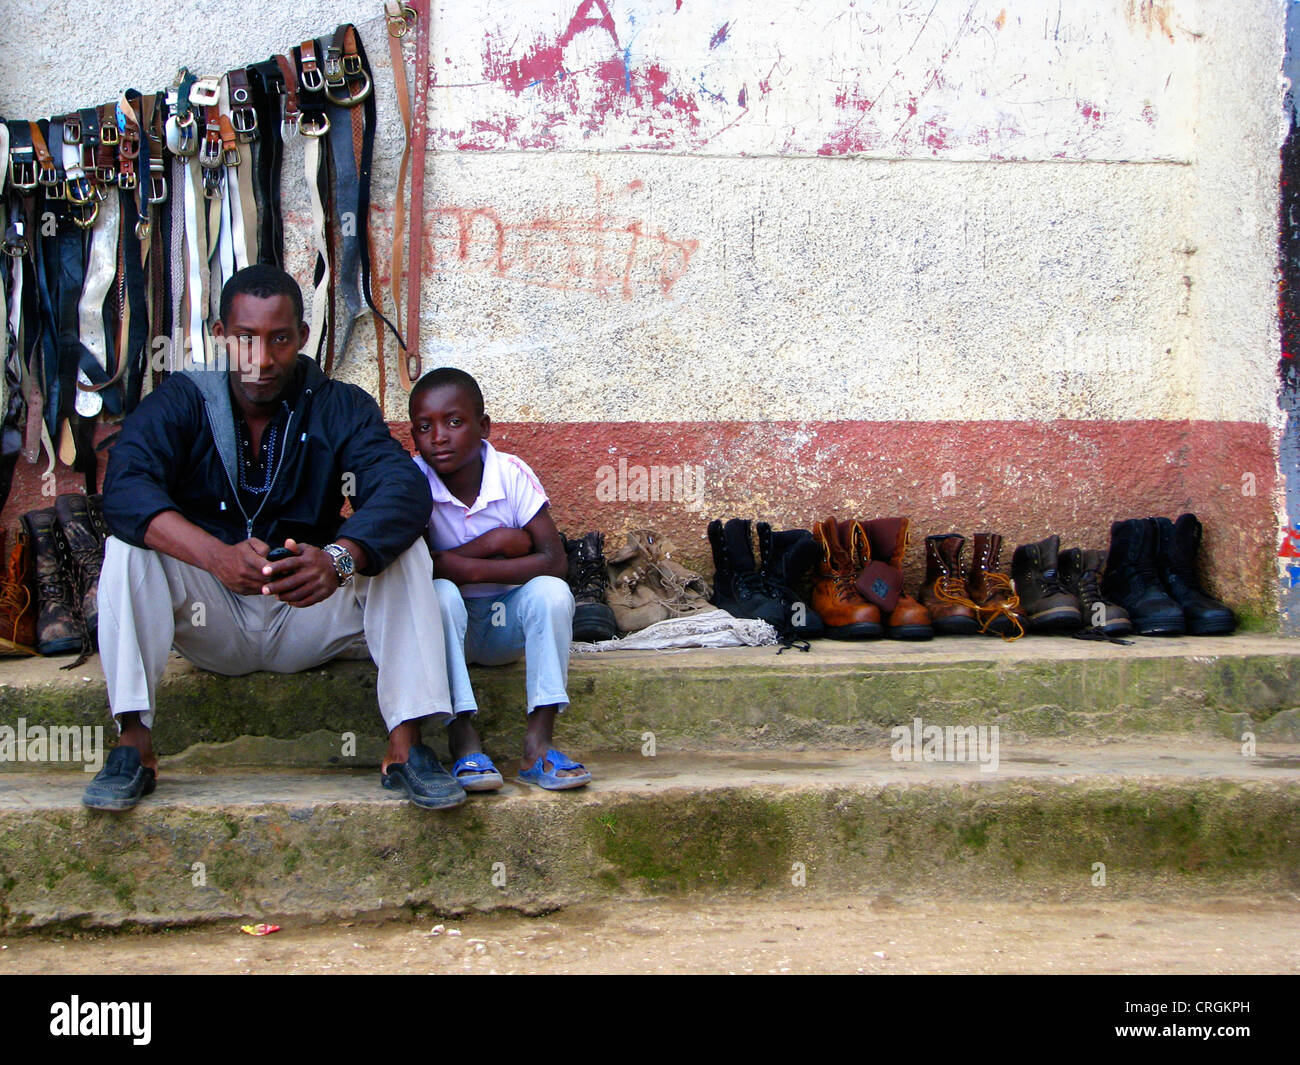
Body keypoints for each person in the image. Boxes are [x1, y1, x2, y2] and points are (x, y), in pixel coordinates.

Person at [85, 265, 468, 811]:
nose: (262, 359)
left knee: (402, 548)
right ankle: (133, 745)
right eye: (245, 338)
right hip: (212, 616)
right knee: (129, 544)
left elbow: (402, 491)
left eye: (279, 339)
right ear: (221, 336)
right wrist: (213, 556)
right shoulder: (181, 401)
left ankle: (407, 747)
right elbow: (124, 488)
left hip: (307, 611)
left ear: (301, 339)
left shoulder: (338, 406)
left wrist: (338, 558)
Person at [410, 367, 592, 791]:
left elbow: (553, 561)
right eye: (424, 427)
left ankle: (538, 744)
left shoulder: (510, 473)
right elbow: (417, 567)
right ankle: (463, 739)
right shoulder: (413, 480)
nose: (439, 436)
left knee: (552, 593)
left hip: (505, 626)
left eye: (454, 422)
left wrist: (465, 567)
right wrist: (496, 542)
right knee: (436, 594)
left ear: (483, 426)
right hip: (446, 631)